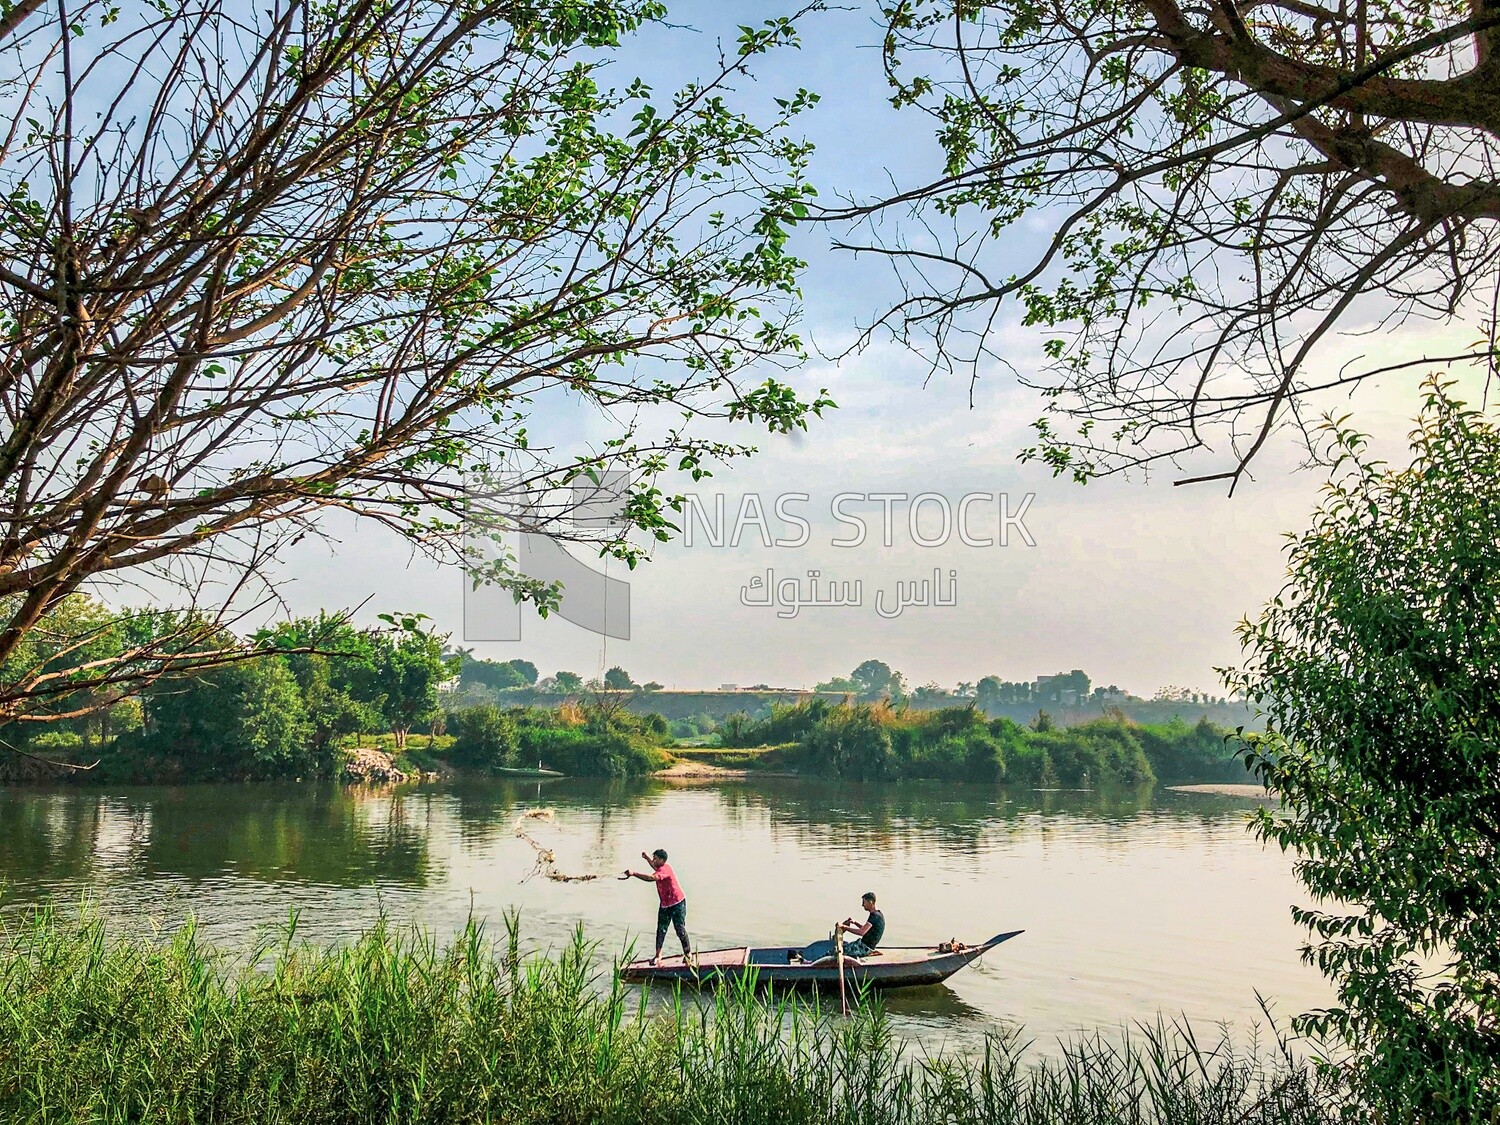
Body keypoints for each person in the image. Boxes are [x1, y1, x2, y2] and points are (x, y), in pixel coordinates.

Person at [624, 848, 690, 965]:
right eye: (653, 858)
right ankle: (658, 956)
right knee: (661, 929)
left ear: (662, 860)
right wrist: (647, 858)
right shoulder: (660, 868)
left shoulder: (665, 869)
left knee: (679, 929)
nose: (653, 860)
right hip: (665, 904)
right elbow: (655, 868)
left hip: (677, 903)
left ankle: (688, 954)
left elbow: (651, 878)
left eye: (655, 859)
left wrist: (634, 873)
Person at [836, 892, 885, 958]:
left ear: (870, 902)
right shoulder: (878, 914)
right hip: (864, 945)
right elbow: (866, 929)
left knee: (835, 951)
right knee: (844, 946)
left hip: (864, 948)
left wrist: (843, 926)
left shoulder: (874, 916)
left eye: (864, 902)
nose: (862, 905)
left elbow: (861, 932)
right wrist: (855, 922)